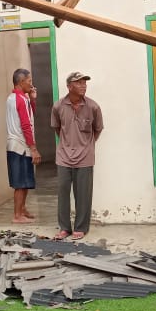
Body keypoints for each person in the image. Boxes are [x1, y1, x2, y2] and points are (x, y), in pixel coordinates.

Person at [51, 71, 104, 240]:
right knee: (63, 193)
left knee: (83, 194)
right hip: (63, 157)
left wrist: (87, 145)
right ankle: (64, 228)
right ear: (69, 86)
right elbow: (57, 128)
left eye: (84, 83)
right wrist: (68, 143)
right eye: (79, 83)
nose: (83, 86)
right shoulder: (58, 106)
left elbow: (98, 129)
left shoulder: (93, 107)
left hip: (85, 158)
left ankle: (81, 228)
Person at [6, 68, 41, 224]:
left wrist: (32, 99)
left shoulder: (14, 98)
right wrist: (33, 148)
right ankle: (17, 215)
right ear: (21, 82)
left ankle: (22, 210)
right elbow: (26, 124)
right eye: (29, 81)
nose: (31, 84)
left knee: (24, 181)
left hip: (17, 144)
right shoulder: (20, 99)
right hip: (20, 145)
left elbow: (29, 116)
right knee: (20, 183)